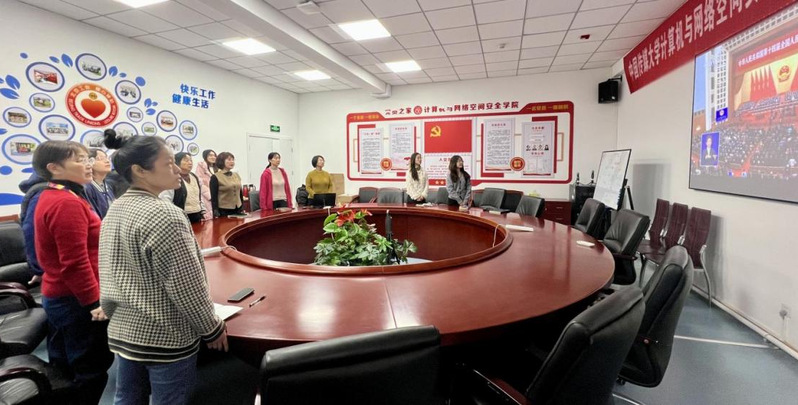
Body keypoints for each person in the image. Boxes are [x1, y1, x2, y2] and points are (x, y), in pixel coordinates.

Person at [99, 132, 227, 405]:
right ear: (139, 171)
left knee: (126, 399)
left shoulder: (116, 208)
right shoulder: (165, 213)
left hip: (124, 330)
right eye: (169, 163)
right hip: (165, 337)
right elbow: (185, 287)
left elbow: (109, 270)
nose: (178, 169)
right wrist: (212, 328)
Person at [32, 140, 113, 405]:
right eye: (79, 160)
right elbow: (75, 263)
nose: (87, 165)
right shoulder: (66, 202)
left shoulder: (57, 195)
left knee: (66, 367)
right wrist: (93, 303)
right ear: (54, 167)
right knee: (89, 369)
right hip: (75, 301)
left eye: (87, 158)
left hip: (62, 295)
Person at [160, 152, 204, 223]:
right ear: (177, 162)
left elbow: (199, 196)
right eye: (186, 160)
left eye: (191, 160)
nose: (190, 163)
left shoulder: (194, 177)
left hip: (197, 215)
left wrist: (202, 211)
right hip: (181, 216)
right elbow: (165, 200)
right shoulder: (172, 178)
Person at [84, 148, 115, 219]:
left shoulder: (108, 186)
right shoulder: (87, 188)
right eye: (100, 158)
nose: (107, 161)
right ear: (90, 162)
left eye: (107, 158)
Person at [210, 151, 244, 217]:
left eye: (233, 160)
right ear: (221, 161)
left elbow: (240, 192)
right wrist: (215, 211)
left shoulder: (236, 175)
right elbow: (214, 196)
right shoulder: (215, 177)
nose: (232, 162)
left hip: (238, 208)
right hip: (224, 210)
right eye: (229, 159)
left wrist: (242, 205)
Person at [194, 149, 217, 221]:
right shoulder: (201, 166)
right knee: (209, 220)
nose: (213, 157)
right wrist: (210, 195)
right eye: (210, 155)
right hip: (207, 197)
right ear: (205, 156)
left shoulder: (217, 168)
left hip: (217, 196)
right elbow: (200, 183)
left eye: (214, 155)